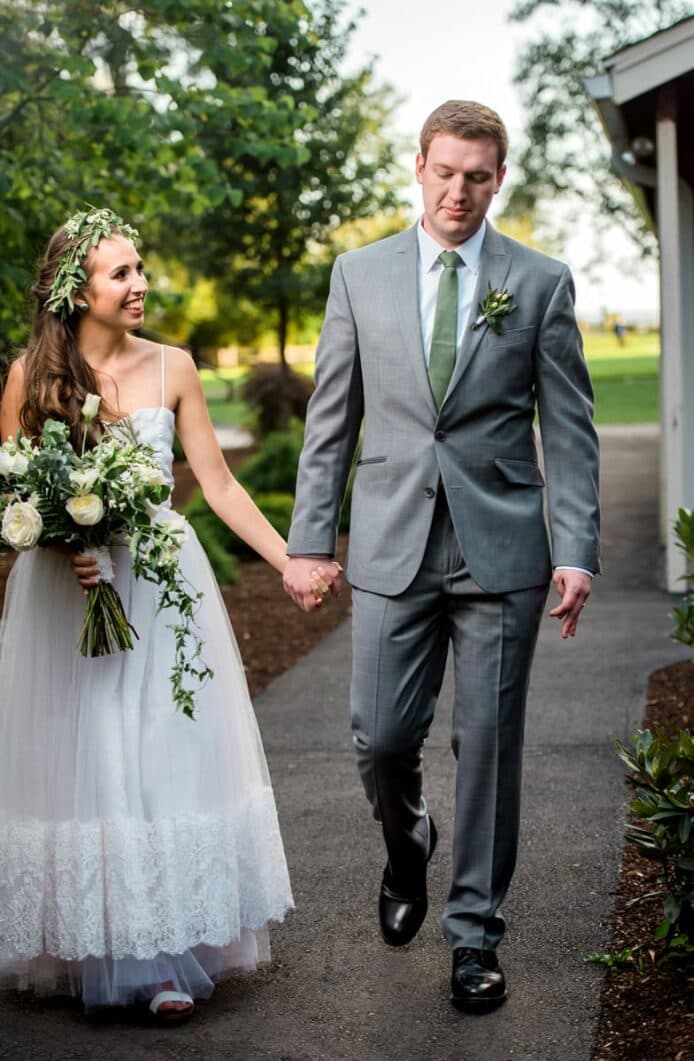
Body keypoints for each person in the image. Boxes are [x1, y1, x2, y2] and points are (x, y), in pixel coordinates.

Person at [283, 100, 600, 1013]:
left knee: (488, 744)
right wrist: (311, 541)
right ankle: (407, 841)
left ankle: (474, 934)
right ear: (418, 167)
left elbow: (570, 430)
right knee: (380, 737)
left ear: (499, 179)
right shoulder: (359, 274)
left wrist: (576, 548)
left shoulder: (538, 283)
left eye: (477, 175)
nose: (458, 190)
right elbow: (330, 419)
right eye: (445, 170)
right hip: (390, 543)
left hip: (503, 550)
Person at [0, 208, 301, 1021]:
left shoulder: (173, 365)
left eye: (142, 268)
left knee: (160, 751)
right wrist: (67, 548)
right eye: (121, 273)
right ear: (76, 290)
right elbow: (18, 495)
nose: (141, 284)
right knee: (91, 757)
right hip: (72, 594)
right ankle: (105, 946)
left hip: (162, 586)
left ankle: (165, 951)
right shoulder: (30, 376)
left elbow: (220, 484)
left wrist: (290, 562)